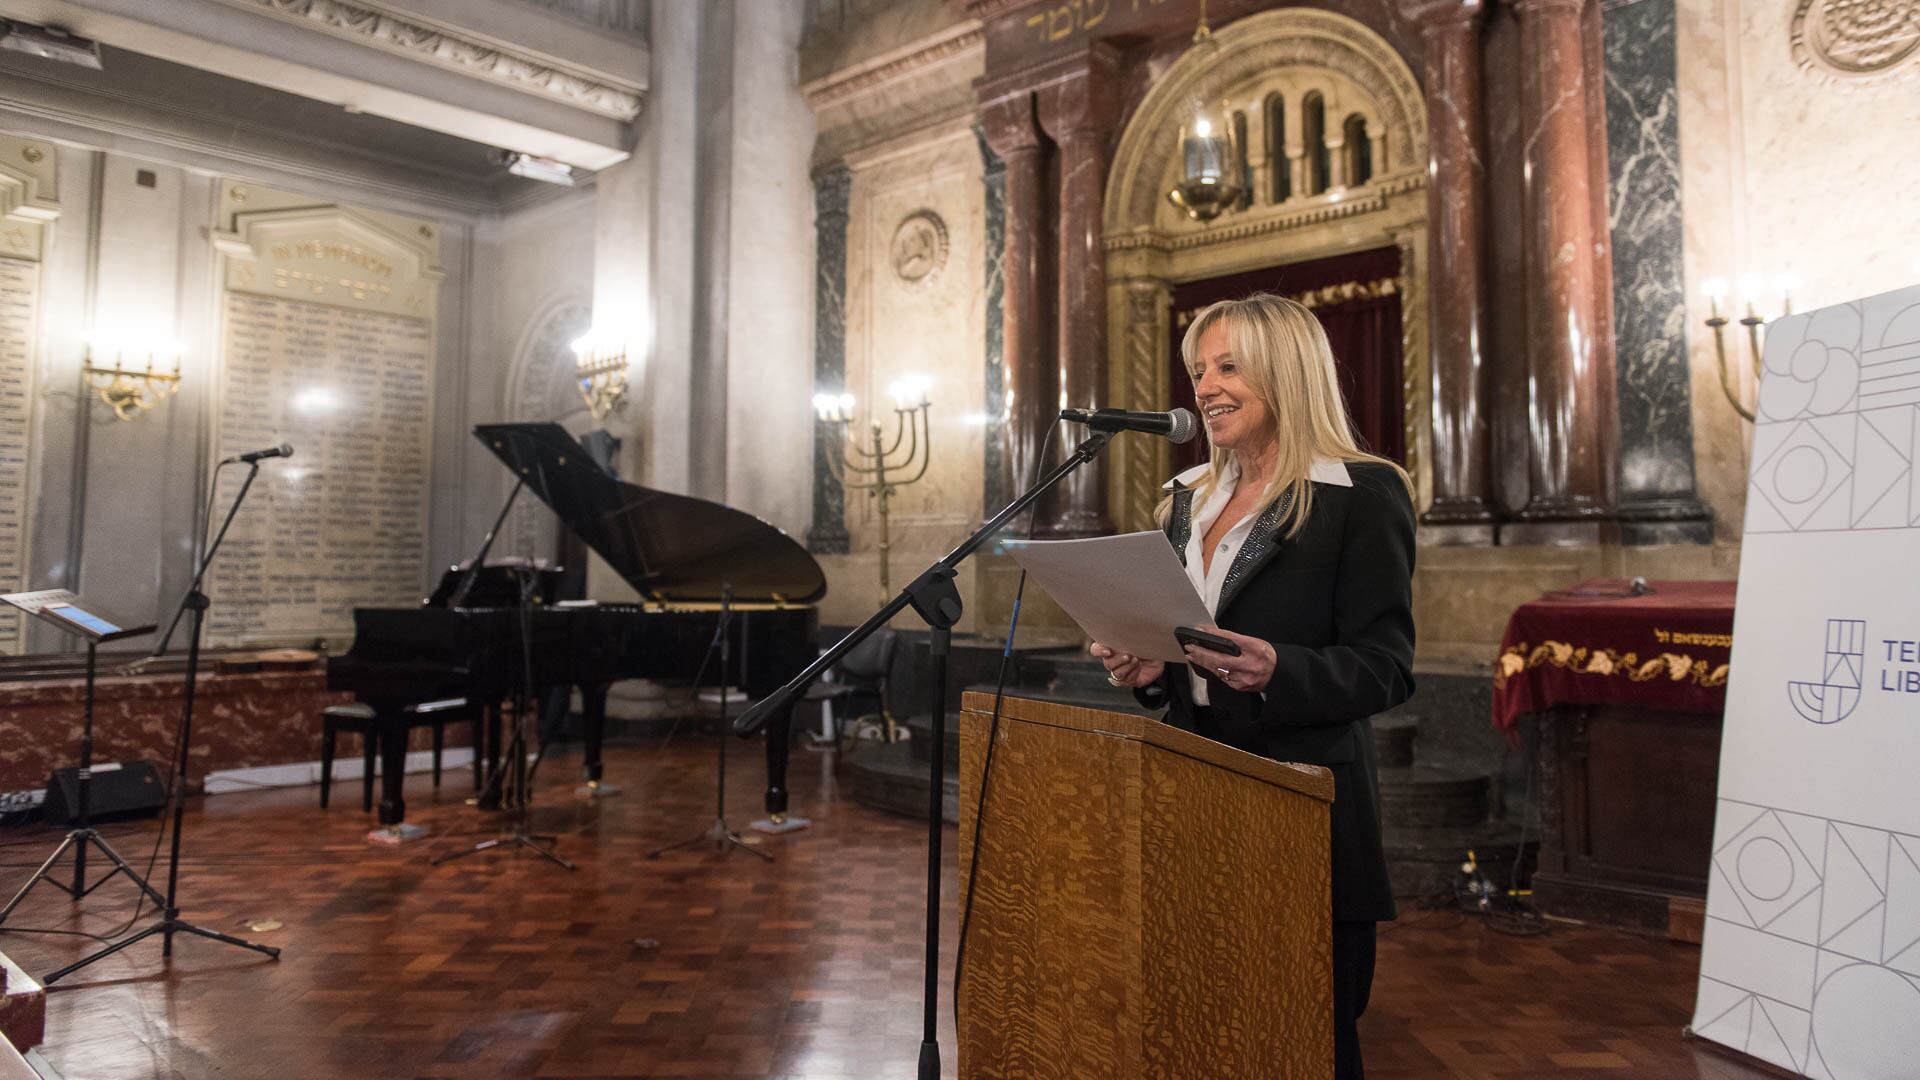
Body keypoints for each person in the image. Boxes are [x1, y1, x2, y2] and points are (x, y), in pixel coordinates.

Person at [1090, 292, 1414, 1080]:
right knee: (1198, 1014)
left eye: (1228, 366)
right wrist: (1146, 672)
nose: (1204, 386)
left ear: (1286, 370)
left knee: (1303, 1029)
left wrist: (1283, 669)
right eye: (1199, 369)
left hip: (1299, 799)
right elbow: (1178, 652)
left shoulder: (1361, 492)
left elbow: (1387, 664)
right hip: (1184, 787)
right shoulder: (1184, 497)